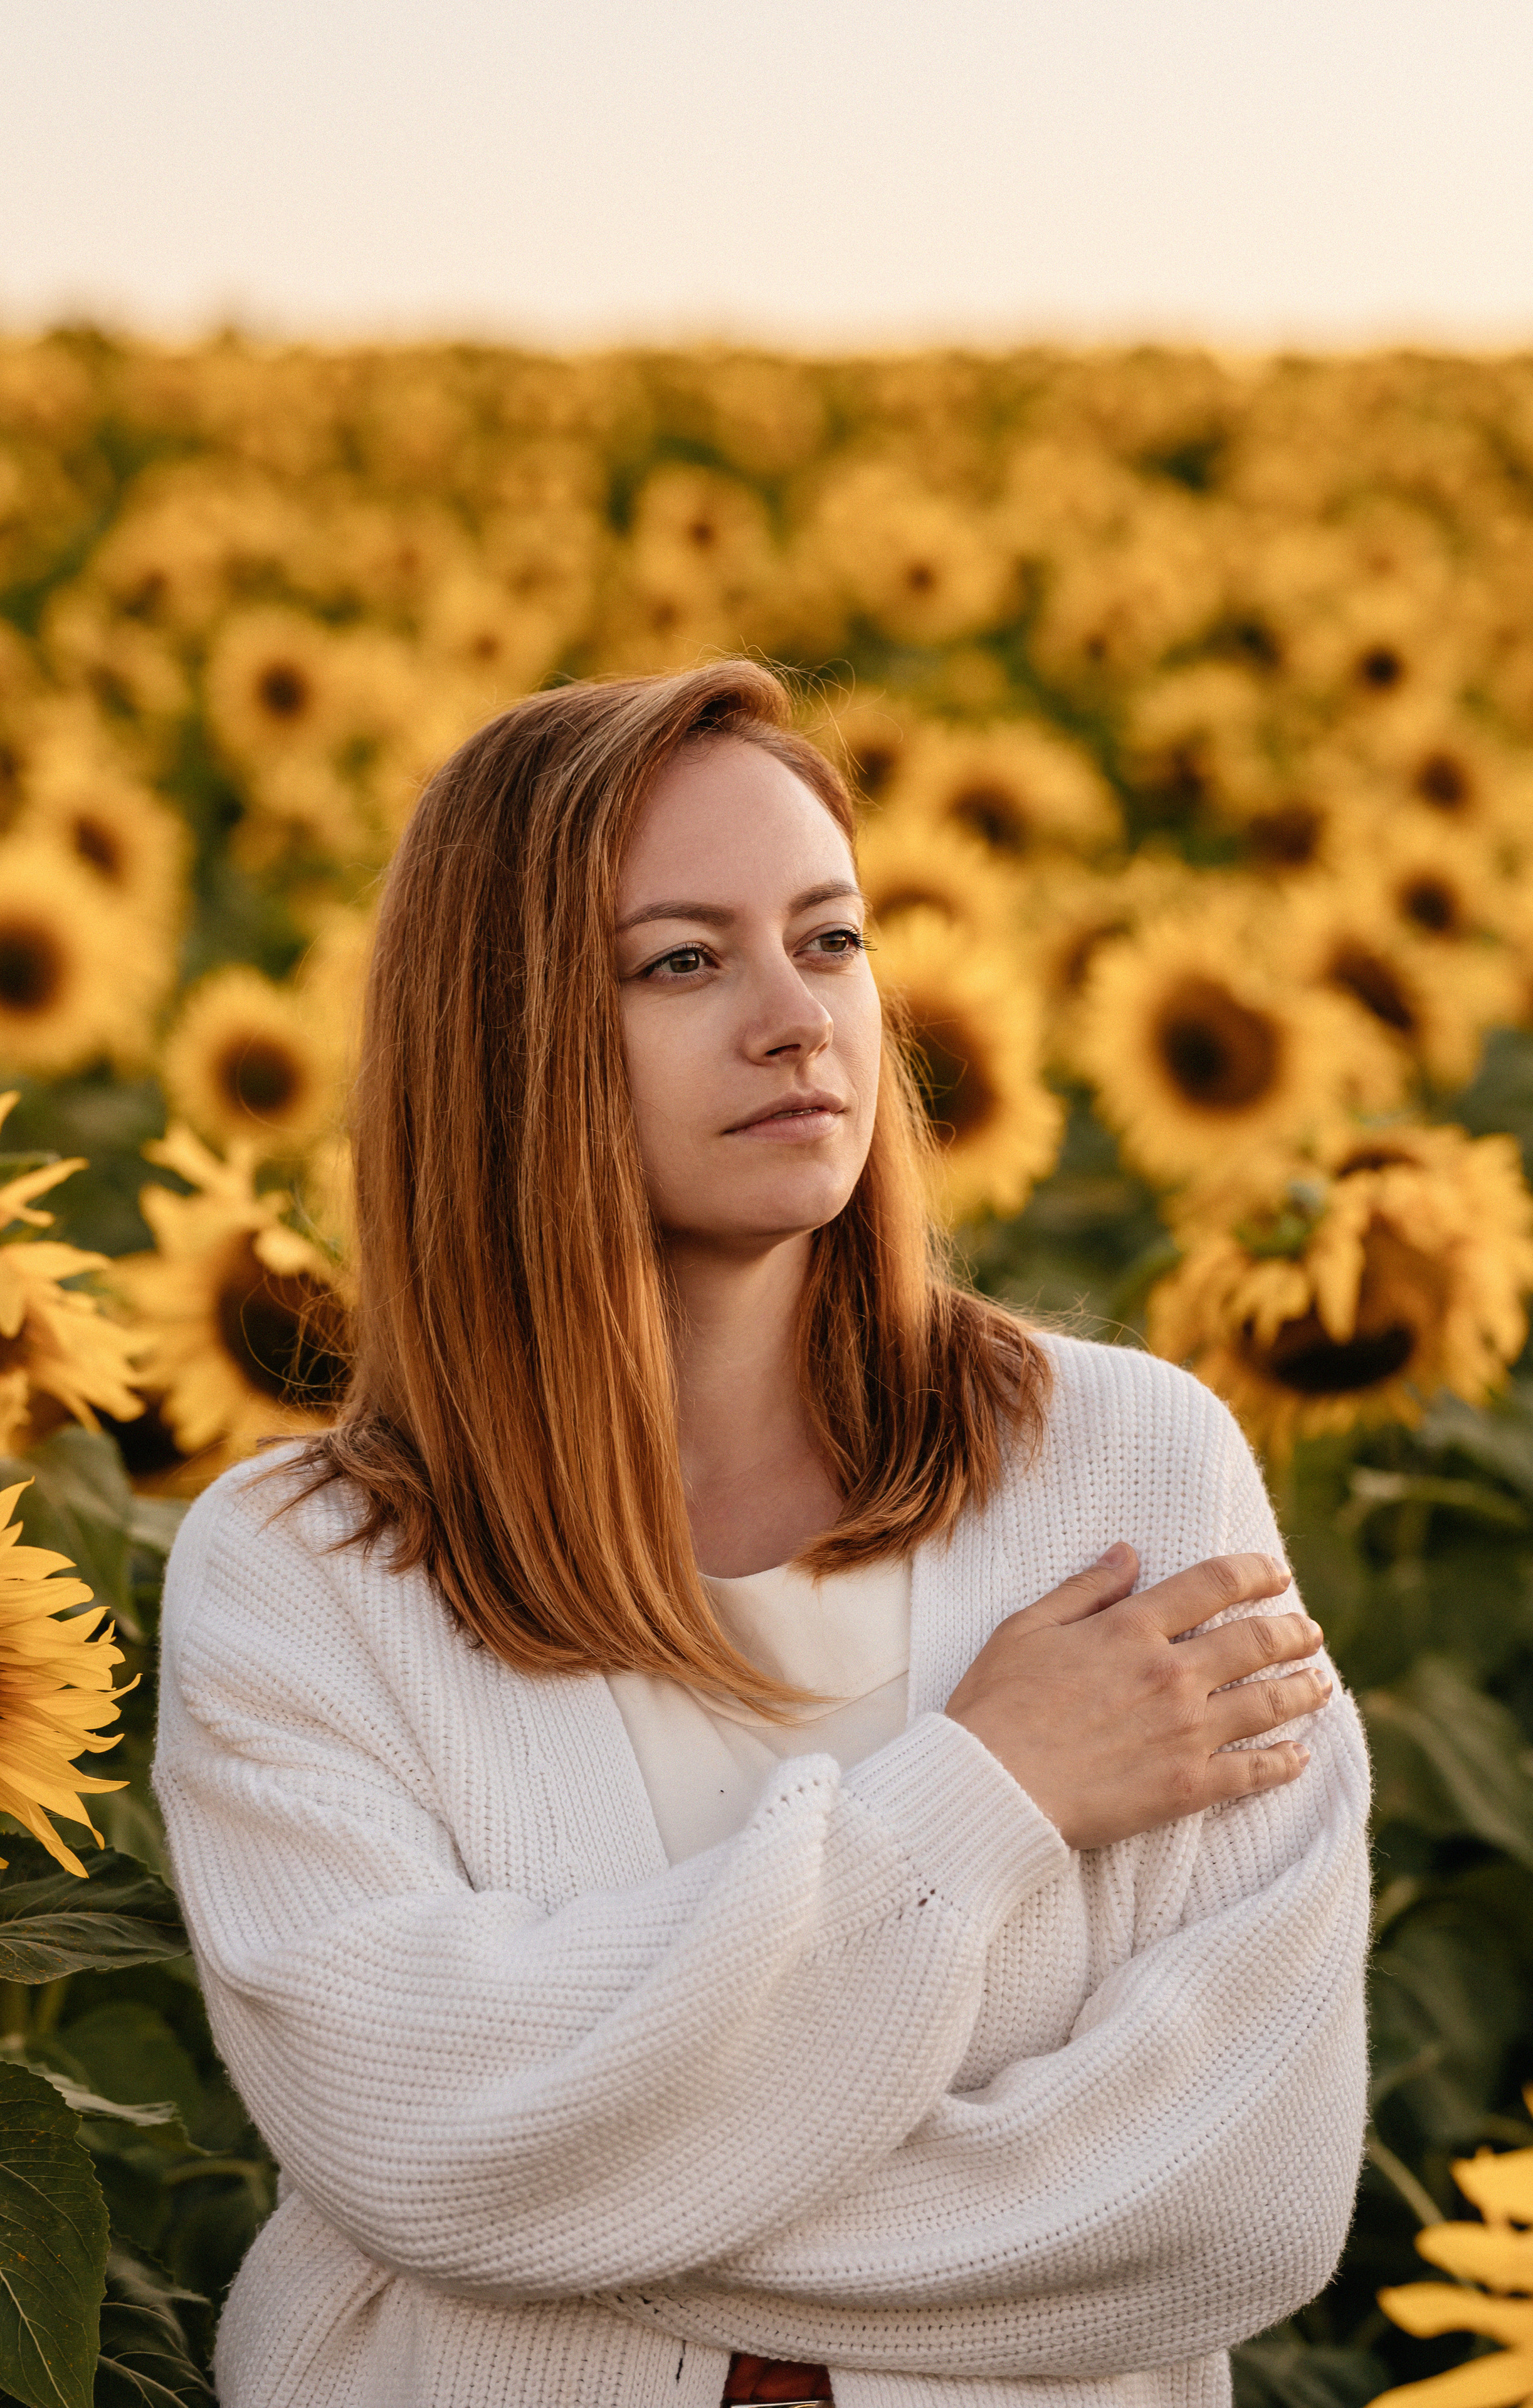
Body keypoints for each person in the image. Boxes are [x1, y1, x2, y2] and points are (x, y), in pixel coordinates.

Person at [154, 660, 1370, 2408]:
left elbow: (1232, 2200)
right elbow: (414, 2133)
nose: (799, 1019)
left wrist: (572, 2184)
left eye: (833, 937)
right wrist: (989, 1796)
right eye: (681, 960)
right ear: (500, 1043)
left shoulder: (1133, 1479)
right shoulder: (305, 1577)